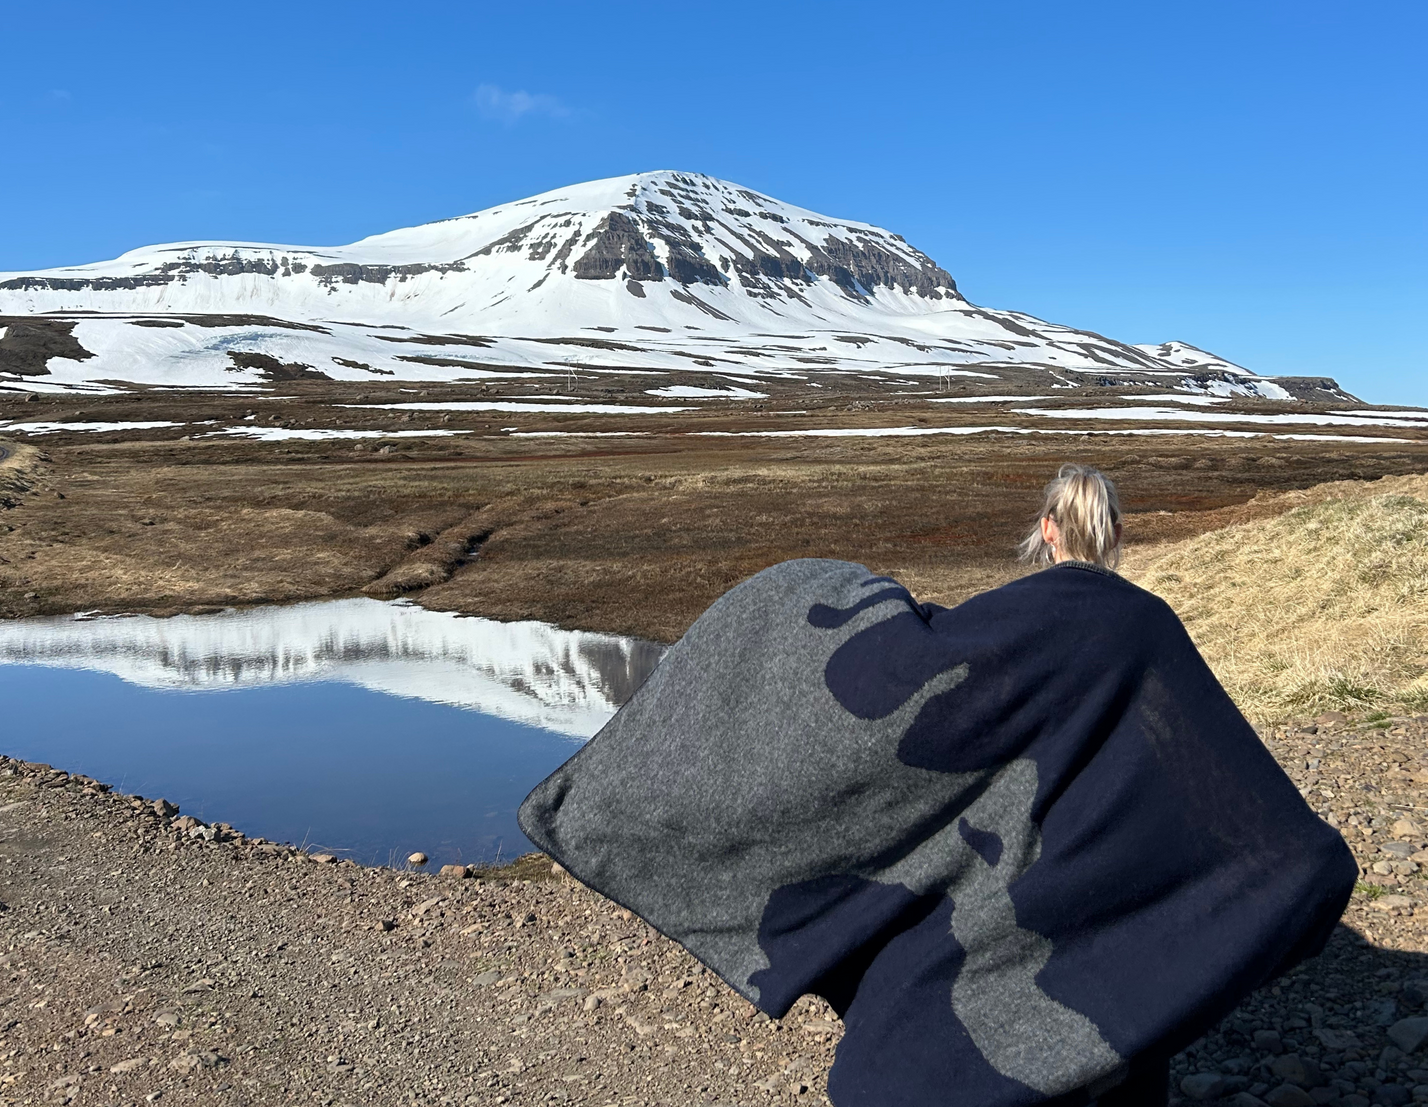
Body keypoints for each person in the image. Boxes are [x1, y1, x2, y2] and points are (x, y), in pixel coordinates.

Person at [521, 462, 1357, 1107]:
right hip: (1101, 924)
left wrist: (829, 597)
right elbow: (1215, 773)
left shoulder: (1015, 613)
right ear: (1114, 533)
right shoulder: (1148, 625)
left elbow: (916, 685)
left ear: (1047, 531)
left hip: (1006, 907)